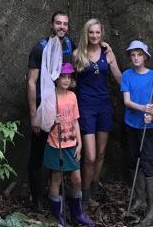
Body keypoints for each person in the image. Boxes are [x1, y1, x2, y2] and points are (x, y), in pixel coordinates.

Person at [26, 11, 75, 211]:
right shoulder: (41, 47)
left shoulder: (69, 45)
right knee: (38, 153)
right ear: (51, 24)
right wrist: (34, 115)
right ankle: (37, 200)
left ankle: (55, 198)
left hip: (62, 110)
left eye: (65, 24)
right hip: (43, 108)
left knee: (59, 152)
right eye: (58, 23)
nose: (61, 27)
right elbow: (31, 82)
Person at [72, 18, 121, 205]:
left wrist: (141, 88)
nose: (94, 35)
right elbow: (68, 79)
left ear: (102, 34)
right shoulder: (78, 54)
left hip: (104, 107)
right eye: (91, 32)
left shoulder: (107, 53)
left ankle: (93, 191)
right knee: (90, 156)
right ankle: (83, 197)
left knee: (100, 154)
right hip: (85, 107)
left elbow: (119, 78)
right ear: (86, 33)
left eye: (97, 32)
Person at [44, 63, 94, 227]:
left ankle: (77, 213)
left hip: (71, 143)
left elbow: (75, 121)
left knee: (77, 179)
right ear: (56, 79)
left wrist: (79, 143)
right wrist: (53, 121)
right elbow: (45, 124)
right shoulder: (51, 97)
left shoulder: (72, 96)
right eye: (63, 77)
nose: (66, 80)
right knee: (56, 179)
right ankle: (57, 215)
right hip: (56, 144)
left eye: (68, 77)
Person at [121, 39, 153, 224]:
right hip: (131, 125)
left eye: (139, 55)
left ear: (145, 57)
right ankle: (139, 199)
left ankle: (152, 210)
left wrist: (151, 114)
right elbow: (127, 101)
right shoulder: (127, 75)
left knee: (148, 164)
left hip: (147, 127)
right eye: (133, 55)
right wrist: (143, 108)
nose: (136, 58)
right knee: (132, 160)